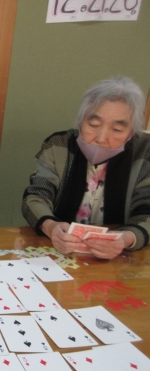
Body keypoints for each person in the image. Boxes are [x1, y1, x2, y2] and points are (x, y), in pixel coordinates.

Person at [22, 77, 150, 259]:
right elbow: (36, 196)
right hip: (58, 252)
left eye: (117, 130)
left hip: (121, 259)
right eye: (93, 125)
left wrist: (125, 239)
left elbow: (147, 209)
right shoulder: (58, 145)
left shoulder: (145, 152)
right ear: (80, 120)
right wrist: (51, 226)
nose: (101, 138)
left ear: (132, 132)